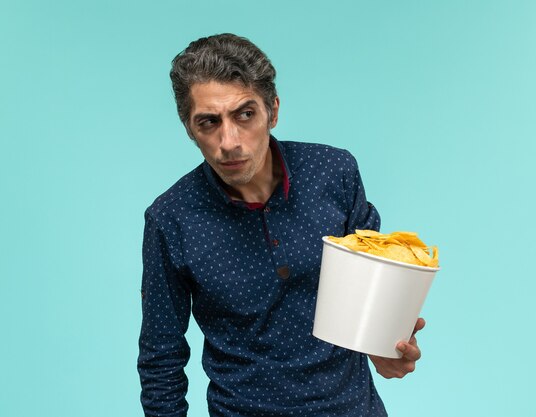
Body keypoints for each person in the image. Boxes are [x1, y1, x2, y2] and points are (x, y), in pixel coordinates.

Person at [138, 33, 425, 417]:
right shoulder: (170, 218)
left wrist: (387, 347)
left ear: (272, 111)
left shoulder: (333, 172)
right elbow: (162, 358)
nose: (229, 141)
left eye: (245, 114)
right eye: (208, 122)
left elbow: (375, 292)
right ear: (189, 129)